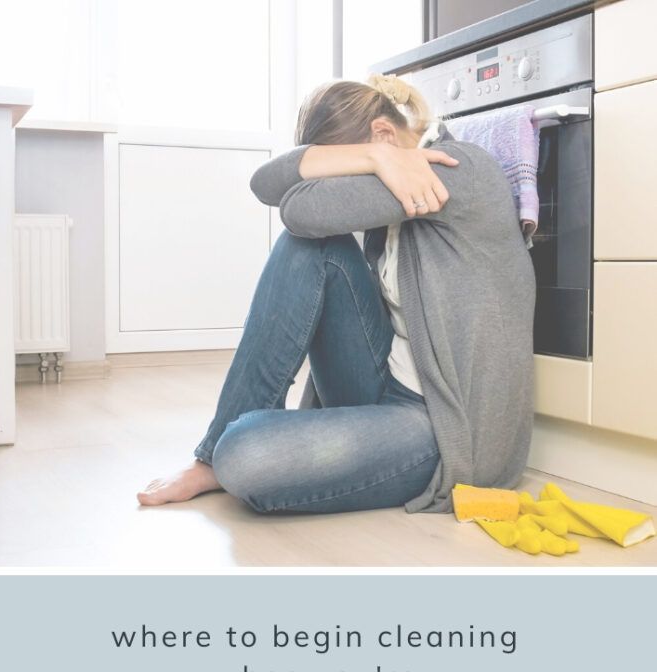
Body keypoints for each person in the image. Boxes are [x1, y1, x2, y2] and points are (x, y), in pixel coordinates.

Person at [137, 74, 535, 514]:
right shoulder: (393, 173)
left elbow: (300, 207)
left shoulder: (455, 168)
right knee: (310, 248)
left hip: (441, 425)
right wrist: (370, 154)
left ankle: (239, 448)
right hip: (382, 383)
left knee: (247, 455)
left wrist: (375, 158)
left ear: (385, 131)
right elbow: (268, 185)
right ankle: (212, 456)